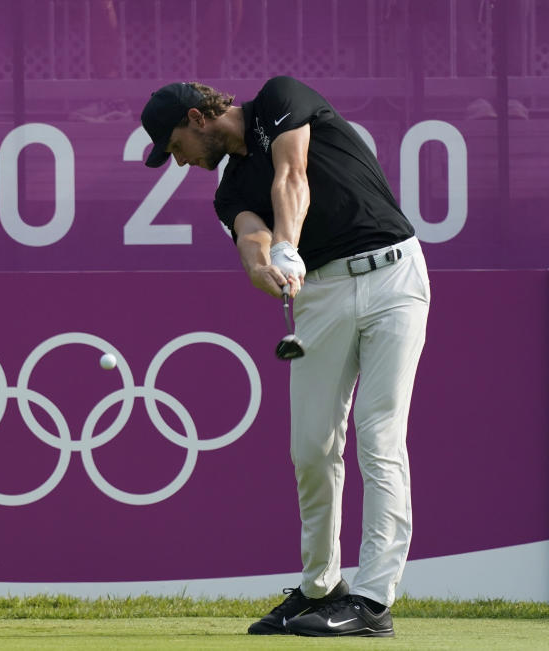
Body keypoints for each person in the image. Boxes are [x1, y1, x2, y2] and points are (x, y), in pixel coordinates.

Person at [139, 77, 430, 638]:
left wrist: (287, 246)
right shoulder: (228, 192)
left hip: (392, 276)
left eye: (175, 147)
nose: (179, 162)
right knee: (312, 447)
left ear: (199, 119)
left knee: (378, 435)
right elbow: (251, 238)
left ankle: (372, 601)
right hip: (319, 293)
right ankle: (322, 586)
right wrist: (264, 270)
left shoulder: (280, 99)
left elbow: (291, 175)